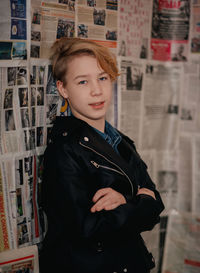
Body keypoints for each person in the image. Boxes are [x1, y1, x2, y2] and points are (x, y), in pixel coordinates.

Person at [40, 37, 164, 273]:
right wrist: (138, 201)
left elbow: (155, 203)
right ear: (63, 88)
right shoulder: (64, 151)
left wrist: (124, 201)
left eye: (102, 78)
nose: (97, 90)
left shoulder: (120, 141)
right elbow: (88, 229)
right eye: (83, 81)